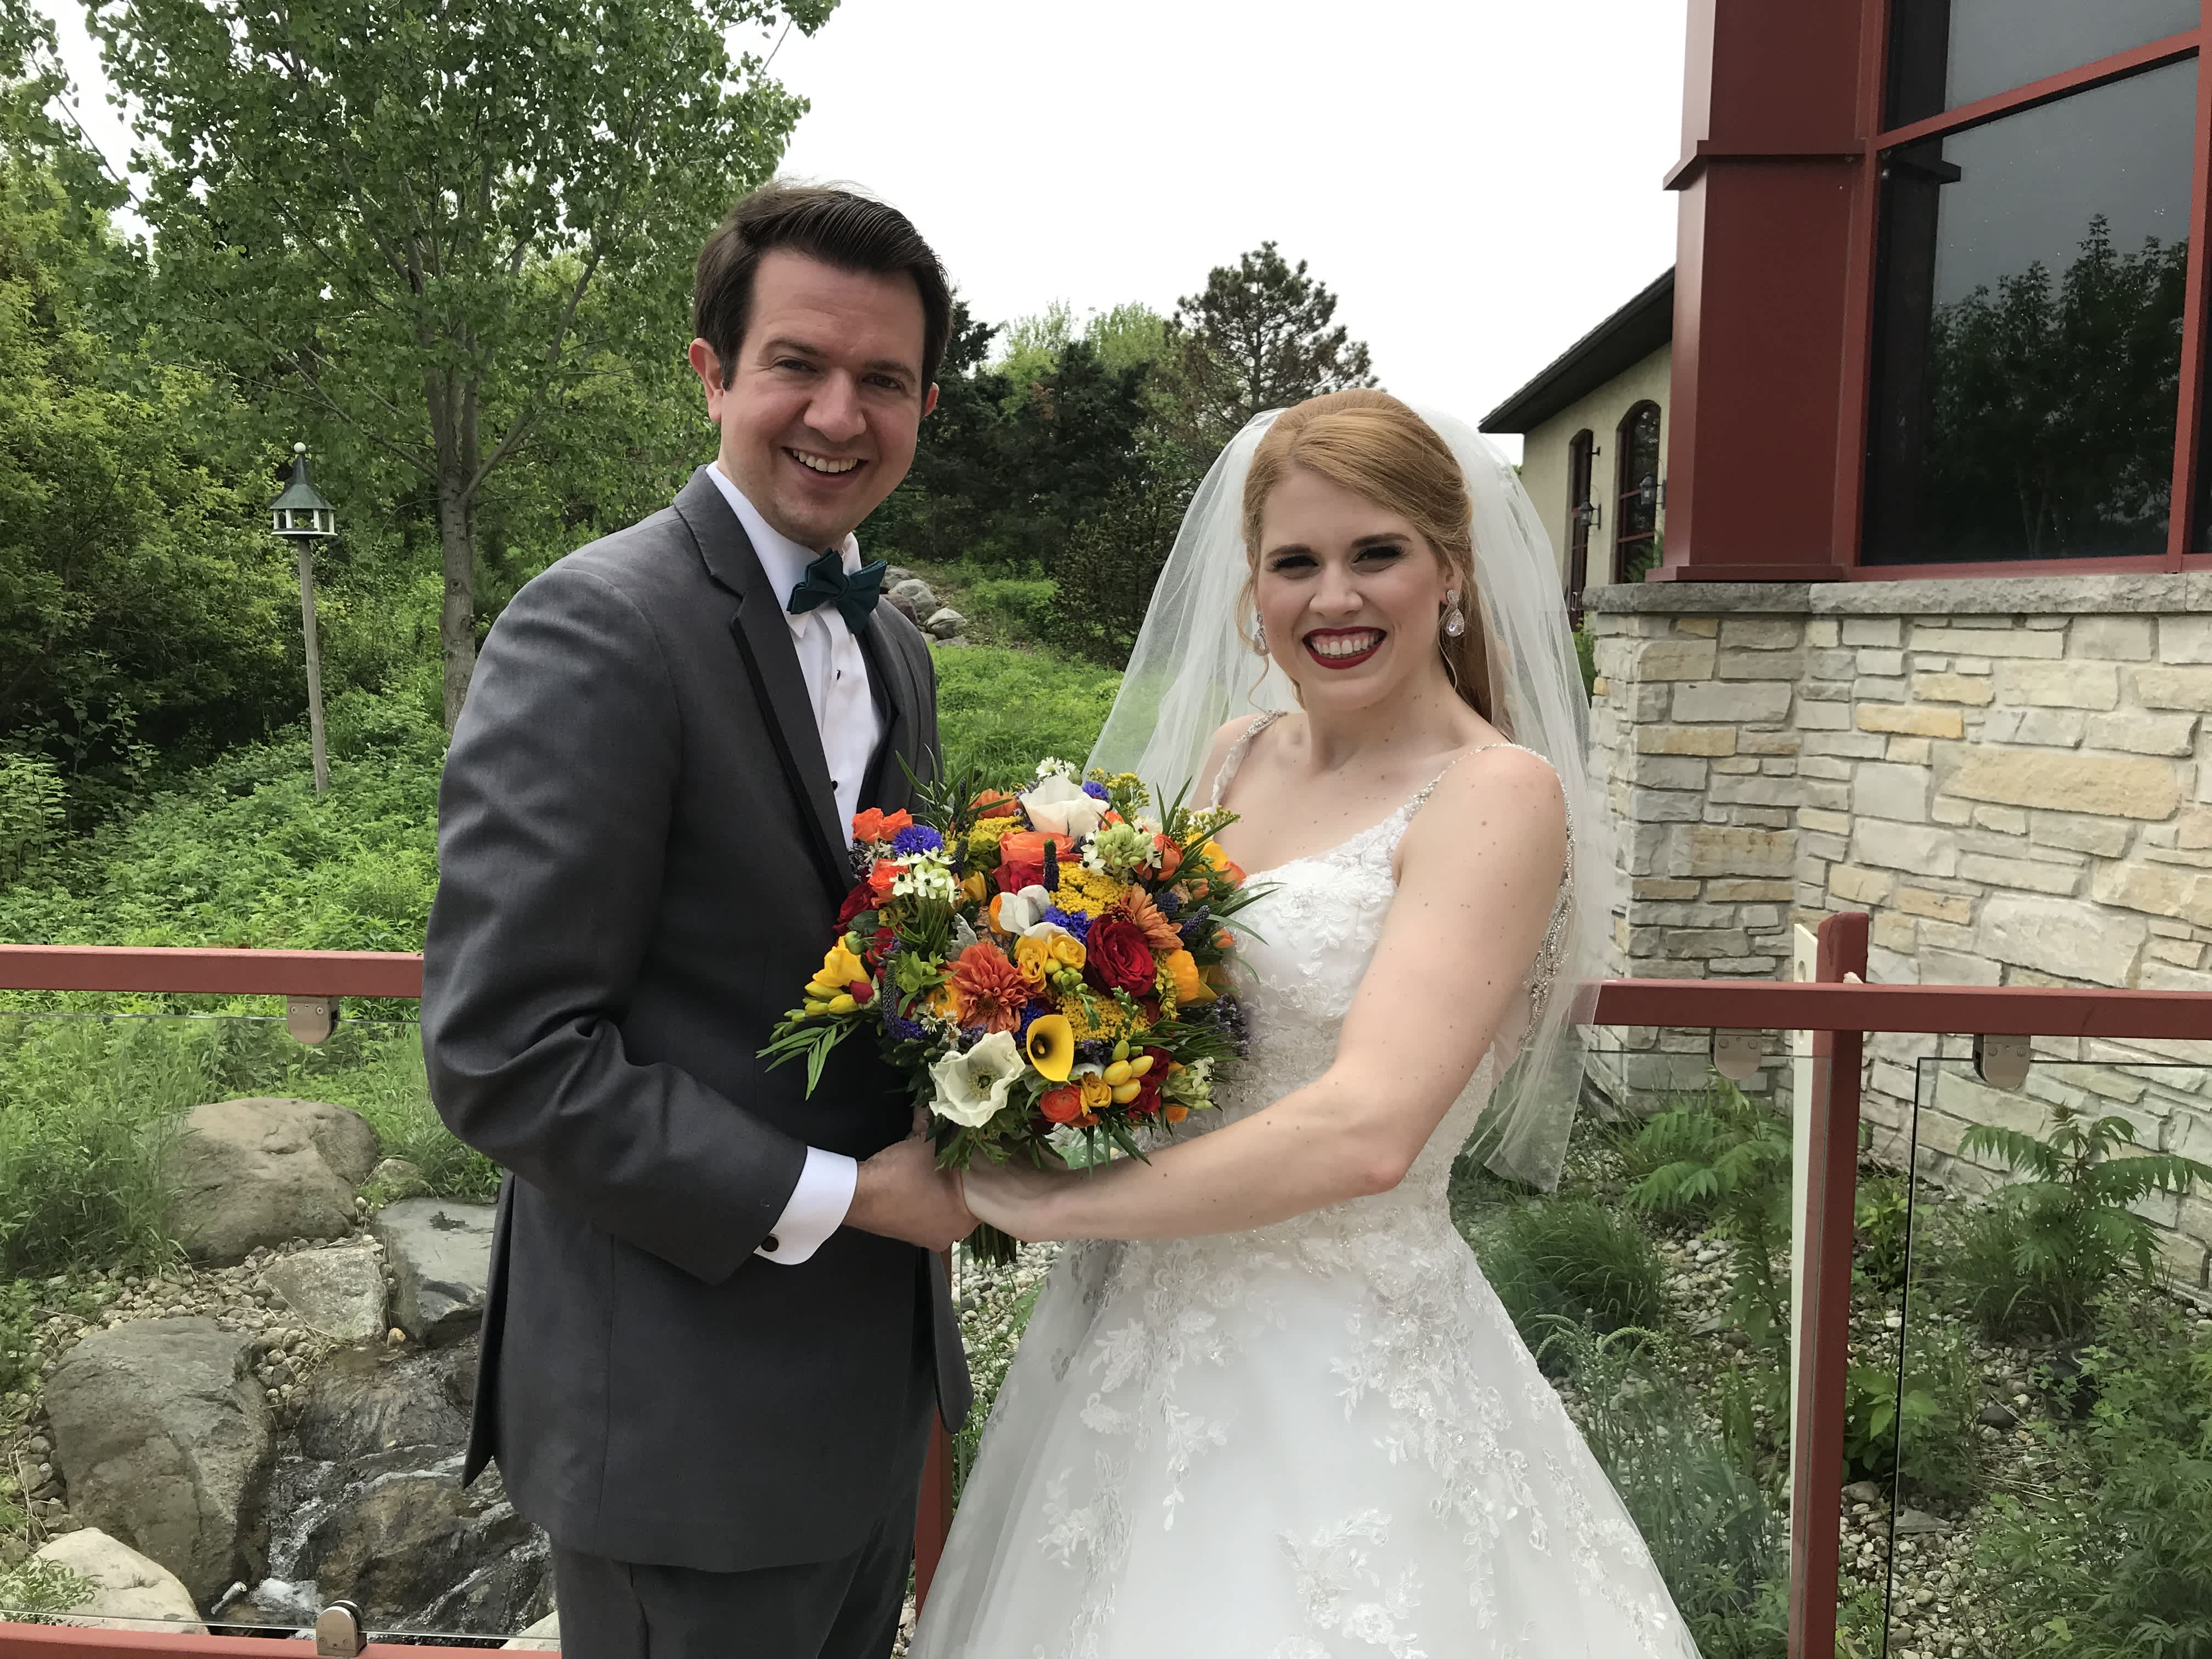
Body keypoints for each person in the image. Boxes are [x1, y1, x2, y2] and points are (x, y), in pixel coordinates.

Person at [913, 391, 1701, 1657]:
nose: (1335, 598)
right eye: (1296, 563)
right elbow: (1154, 1006)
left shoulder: (1496, 795)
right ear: (1253, 591)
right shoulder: (1234, 757)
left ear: (1451, 572)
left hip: (1344, 1360)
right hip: (1137, 1337)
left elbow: (1369, 1129)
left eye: (1375, 553)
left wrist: (1064, 1204)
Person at [421, 182, 974, 1659]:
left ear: (925, 406)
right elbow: (504, 1054)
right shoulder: (597, 626)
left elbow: (882, 964)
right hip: (684, 1434)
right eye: (798, 363)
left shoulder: (896, 650)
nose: (839, 415)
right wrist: (854, 1197)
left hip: (869, 1405)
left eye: (885, 380)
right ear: (712, 373)